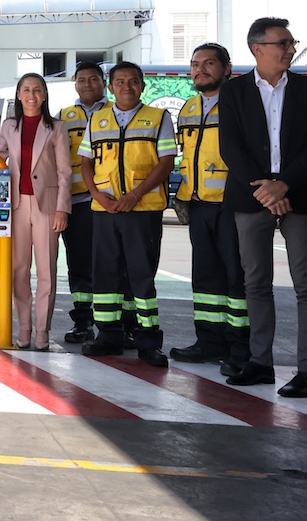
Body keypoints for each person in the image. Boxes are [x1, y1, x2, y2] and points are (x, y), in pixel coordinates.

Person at [220, 18, 307, 397]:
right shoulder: (234, 92)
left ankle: (305, 370)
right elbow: (230, 148)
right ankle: (260, 363)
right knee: (255, 283)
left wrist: (284, 184)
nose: (290, 49)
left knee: (305, 285)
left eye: (291, 42)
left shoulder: (306, 88)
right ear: (258, 48)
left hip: (299, 193)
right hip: (250, 194)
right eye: (283, 43)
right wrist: (266, 190)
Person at [79, 62, 176, 368]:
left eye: (133, 81)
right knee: (105, 273)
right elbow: (85, 162)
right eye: (120, 82)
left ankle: (147, 340)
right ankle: (108, 335)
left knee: (141, 275)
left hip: (142, 210)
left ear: (143, 86)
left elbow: (166, 162)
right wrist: (96, 195)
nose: (126, 87)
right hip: (104, 210)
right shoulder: (97, 119)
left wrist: (134, 195)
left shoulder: (158, 118)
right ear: (111, 87)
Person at [0, 74, 71, 350]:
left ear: (45, 95)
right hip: (15, 205)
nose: (31, 94)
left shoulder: (57, 128)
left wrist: (63, 209)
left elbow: (65, 172)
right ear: (18, 94)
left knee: (47, 272)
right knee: (18, 270)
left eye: (37, 90)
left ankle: (42, 332)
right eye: (26, 89)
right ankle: (24, 329)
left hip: (47, 207)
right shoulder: (9, 126)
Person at [169, 43, 251, 376]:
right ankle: (209, 342)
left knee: (237, 279)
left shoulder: (242, 106)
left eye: (209, 63)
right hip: (198, 206)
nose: (200, 69)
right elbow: (189, 157)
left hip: (234, 206)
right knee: (205, 279)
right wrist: (183, 195)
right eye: (195, 64)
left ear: (227, 68)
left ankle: (241, 347)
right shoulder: (189, 108)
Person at [57, 62, 109, 345]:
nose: (87, 84)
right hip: (76, 203)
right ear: (75, 84)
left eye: (93, 79)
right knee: (79, 264)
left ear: (103, 82)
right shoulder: (63, 117)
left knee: (113, 264)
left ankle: (115, 325)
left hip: (109, 203)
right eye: (81, 80)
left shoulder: (117, 112)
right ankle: (83, 322)